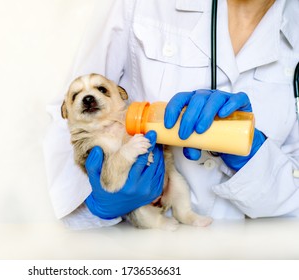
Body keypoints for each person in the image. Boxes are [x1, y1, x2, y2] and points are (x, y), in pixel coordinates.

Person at [44, 0, 299, 230]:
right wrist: (93, 204)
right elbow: (65, 116)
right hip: (137, 247)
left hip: (254, 247)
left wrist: (257, 160)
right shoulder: (136, 5)